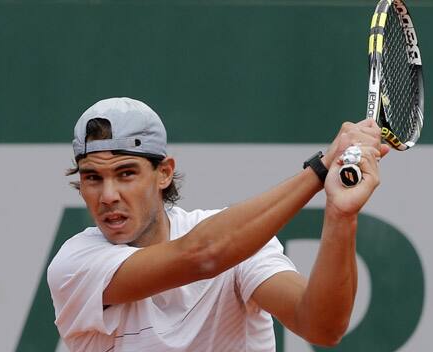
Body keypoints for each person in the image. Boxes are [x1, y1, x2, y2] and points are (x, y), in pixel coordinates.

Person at [47, 97, 388, 351]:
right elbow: (202, 255)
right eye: (93, 178)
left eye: (126, 174)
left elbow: (322, 327)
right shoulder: (75, 265)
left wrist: (341, 216)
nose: (108, 195)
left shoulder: (240, 243)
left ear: (164, 173)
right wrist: (321, 168)